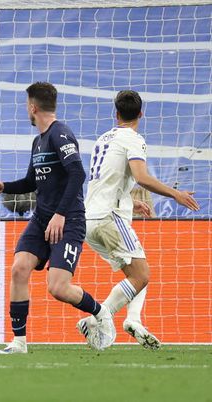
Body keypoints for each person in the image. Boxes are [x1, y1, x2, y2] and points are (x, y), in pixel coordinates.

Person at [0, 82, 115, 354]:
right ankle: (19, 342)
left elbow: (78, 174)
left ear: (32, 107)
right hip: (42, 218)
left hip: (68, 221)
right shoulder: (38, 140)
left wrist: (60, 214)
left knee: (58, 288)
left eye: (26, 107)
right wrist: (4, 187)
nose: (26, 111)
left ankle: (100, 313)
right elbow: (32, 181)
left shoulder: (61, 134)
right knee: (19, 268)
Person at [78, 90, 199, 349]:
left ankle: (132, 319)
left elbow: (106, 180)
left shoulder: (102, 139)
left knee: (136, 270)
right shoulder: (133, 139)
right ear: (141, 114)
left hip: (90, 219)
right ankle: (97, 318)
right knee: (141, 275)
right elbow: (142, 177)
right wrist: (175, 193)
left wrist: (132, 201)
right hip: (110, 218)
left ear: (116, 113)